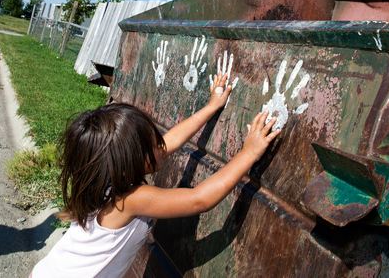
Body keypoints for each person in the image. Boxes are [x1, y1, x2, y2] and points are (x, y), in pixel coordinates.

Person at [31, 72, 281, 277]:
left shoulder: (106, 178)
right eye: (154, 144)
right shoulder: (131, 199)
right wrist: (249, 153)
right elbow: (199, 200)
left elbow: (169, 141)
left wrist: (211, 106)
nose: (163, 145)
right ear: (131, 161)